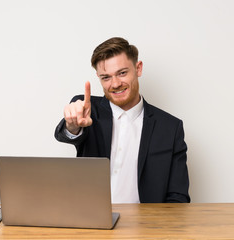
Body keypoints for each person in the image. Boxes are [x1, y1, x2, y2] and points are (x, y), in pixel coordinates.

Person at [54, 37, 190, 203]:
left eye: (122, 73)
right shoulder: (88, 110)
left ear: (138, 68)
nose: (115, 84)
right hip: (91, 222)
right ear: (98, 77)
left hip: (146, 226)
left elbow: (178, 197)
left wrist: (157, 227)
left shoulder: (169, 127)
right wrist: (72, 125)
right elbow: (67, 133)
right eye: (106, 77)